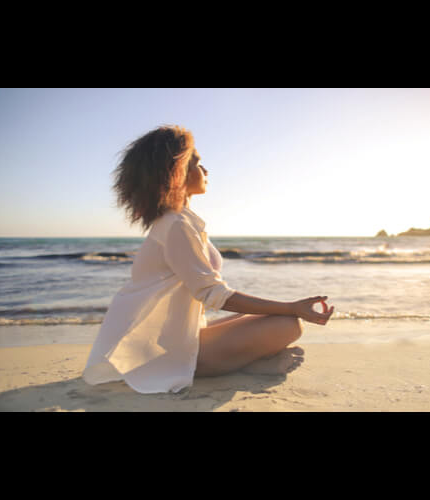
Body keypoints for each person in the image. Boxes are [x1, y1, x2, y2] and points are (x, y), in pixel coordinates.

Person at [83, 125, 334, 394]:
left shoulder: (181, 221)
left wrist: (285, 307)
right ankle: (244, 364)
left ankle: (247, 361)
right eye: (198, 164)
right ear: (176, 171)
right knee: (285, 323)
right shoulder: (175, 225)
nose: (206, 171)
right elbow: (214, 294)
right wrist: (292, 308)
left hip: (174, 338)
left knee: (270, 315)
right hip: (162, 352)